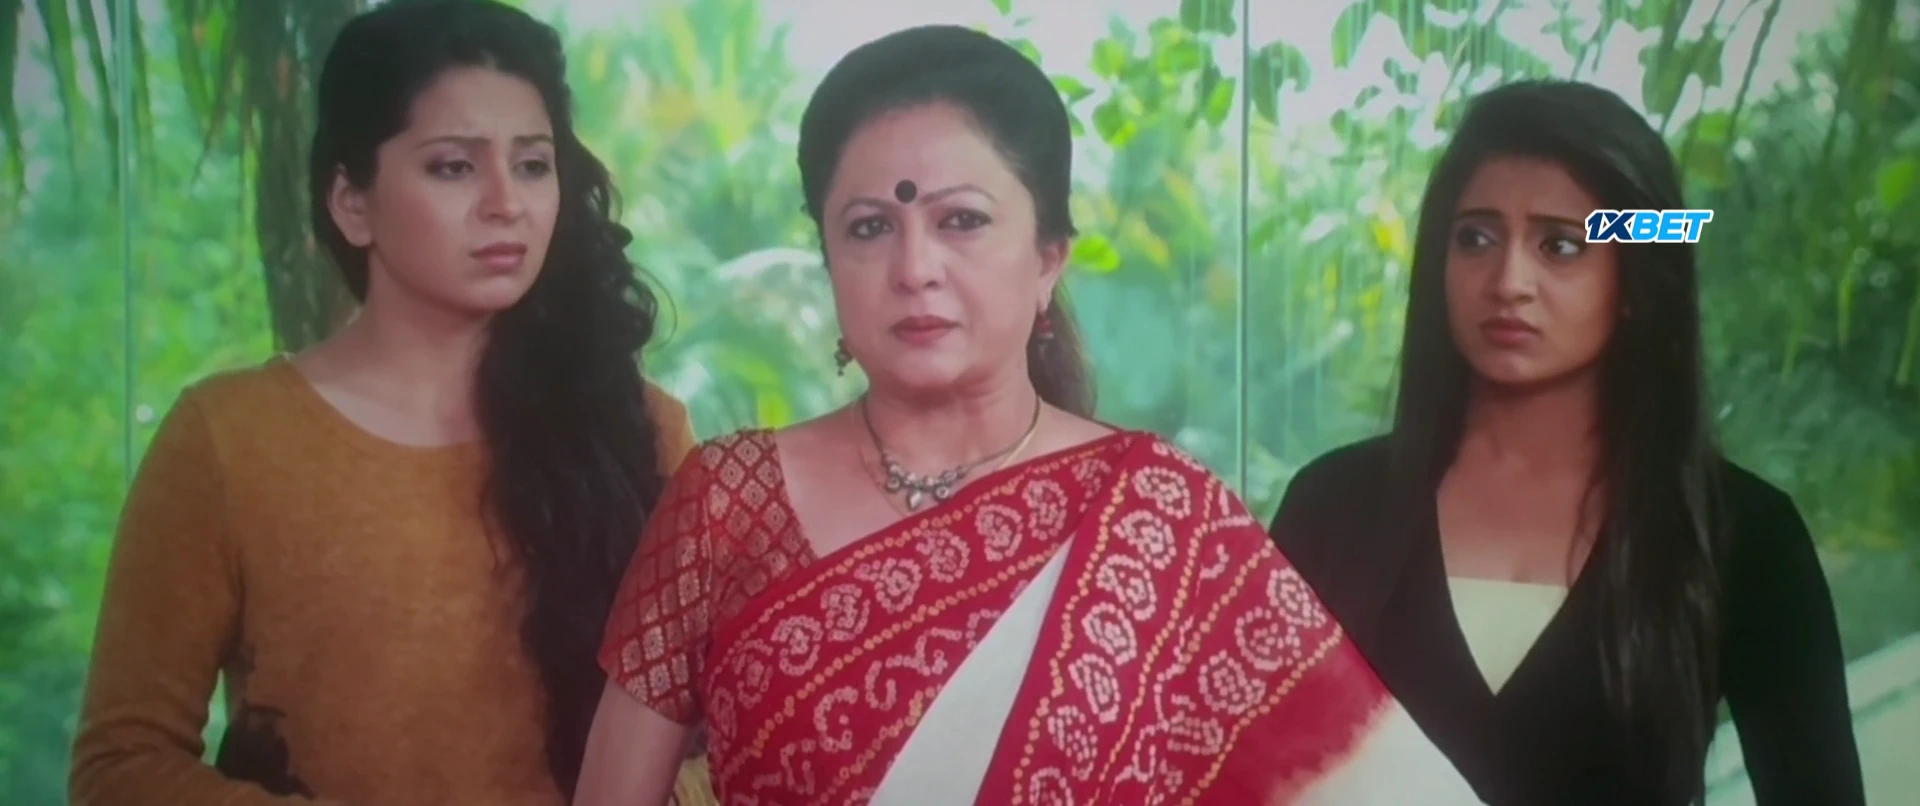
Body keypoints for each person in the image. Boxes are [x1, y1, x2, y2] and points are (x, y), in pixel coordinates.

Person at [574, 24, 1486, 806]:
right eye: (869, 227)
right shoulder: (726, 501)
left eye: (961, 221)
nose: (914, 267)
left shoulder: (1161, 518)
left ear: (1049, 257)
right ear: (828, 262)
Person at [67, 2, 703, 804]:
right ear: (351, 202)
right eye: (454, 167)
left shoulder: (642, 431)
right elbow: (120, 765)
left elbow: (732, 738)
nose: (506, 202)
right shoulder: (229, 441)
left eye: (533, 165)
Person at [1267, 79, 1865, 805]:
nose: (1509, 281)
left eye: (1561, 245)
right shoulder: (1334, 508)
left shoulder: (1744, 536)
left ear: (1636, 281)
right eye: (1477, 238)